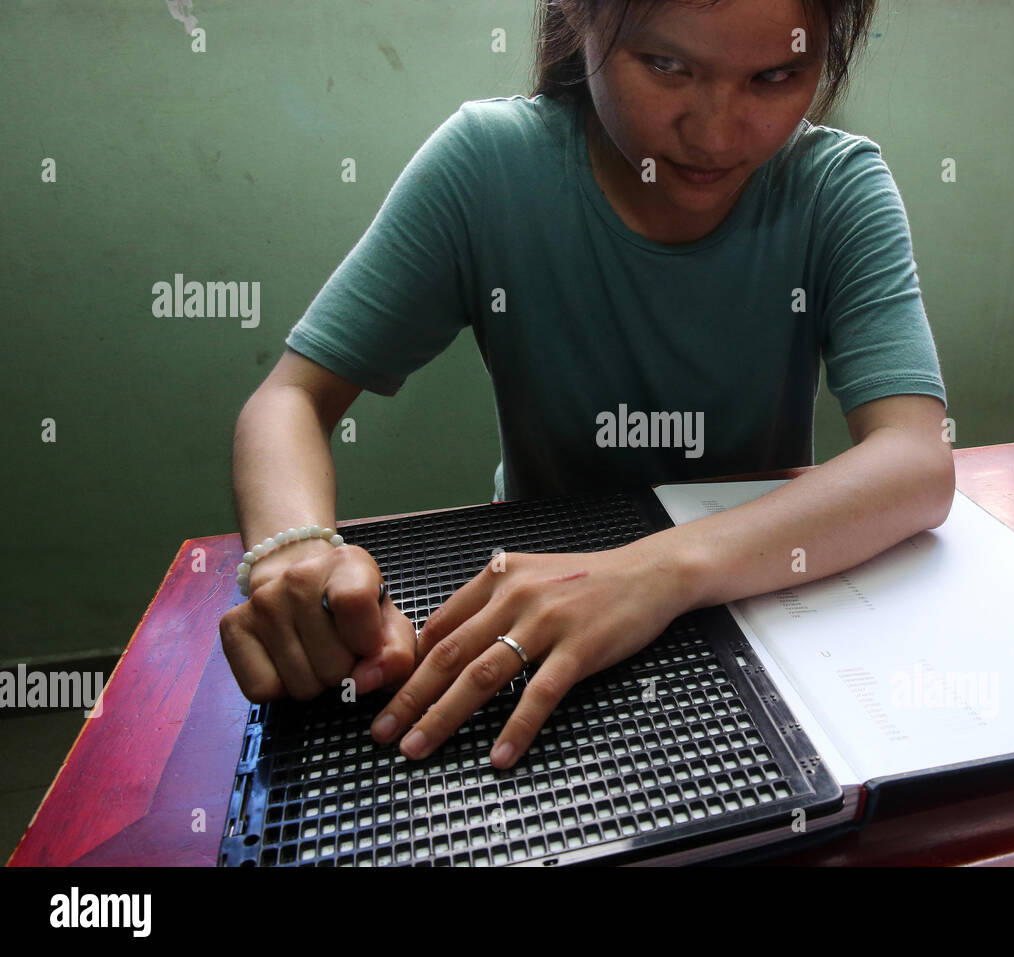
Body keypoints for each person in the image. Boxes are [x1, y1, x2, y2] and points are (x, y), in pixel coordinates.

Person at [220, 0, 953, 772]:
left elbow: (916, 459)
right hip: (528, 610)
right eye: (667, 67)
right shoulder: (489, 166)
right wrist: (293, 552)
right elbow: (290, 399)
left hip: (758, 603)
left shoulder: (834, 188)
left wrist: (656, 571)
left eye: (776, 76)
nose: (714, 133)